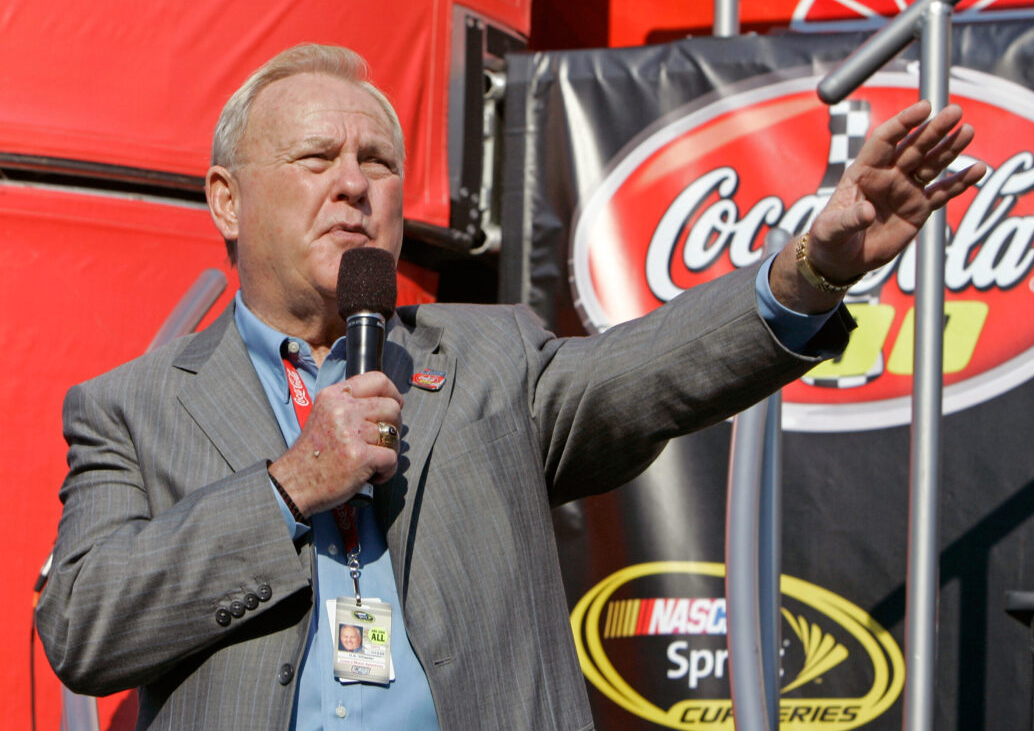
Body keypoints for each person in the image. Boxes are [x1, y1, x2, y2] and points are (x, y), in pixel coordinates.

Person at [35, 44, 984, 730]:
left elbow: (651, 370)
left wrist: (811, 270)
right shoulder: (132, 406)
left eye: (379, 164)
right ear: (227, 199)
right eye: (317, 159)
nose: (355, 186)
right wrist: (289, 486)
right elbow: (82, 625)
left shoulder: (488, 355)